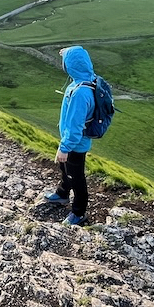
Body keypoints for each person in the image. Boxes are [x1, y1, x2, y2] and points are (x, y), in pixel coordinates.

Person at [44, 45, 96, 225]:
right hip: (73, 141)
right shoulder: (87, 79)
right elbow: (79, 59)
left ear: (71, 66)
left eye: (65, 62)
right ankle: (62, 194)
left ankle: (79, 213)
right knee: (65, 169)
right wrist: (69, 52)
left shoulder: (80, 93)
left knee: (76, 177)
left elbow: (75, 126)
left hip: (75, 143)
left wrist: (65, 147)